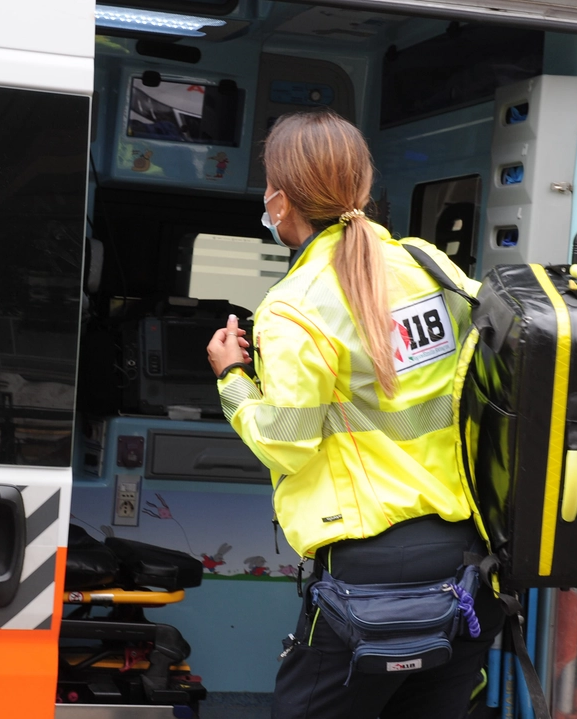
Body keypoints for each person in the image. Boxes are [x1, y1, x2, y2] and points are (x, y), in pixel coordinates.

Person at [205, 110, 501, 719]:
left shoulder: (293, 307)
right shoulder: (426, 265)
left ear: (281, 201)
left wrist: (233, 380)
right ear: (363, 187)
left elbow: (287, 442)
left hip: (366, 580)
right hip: (463, 564)